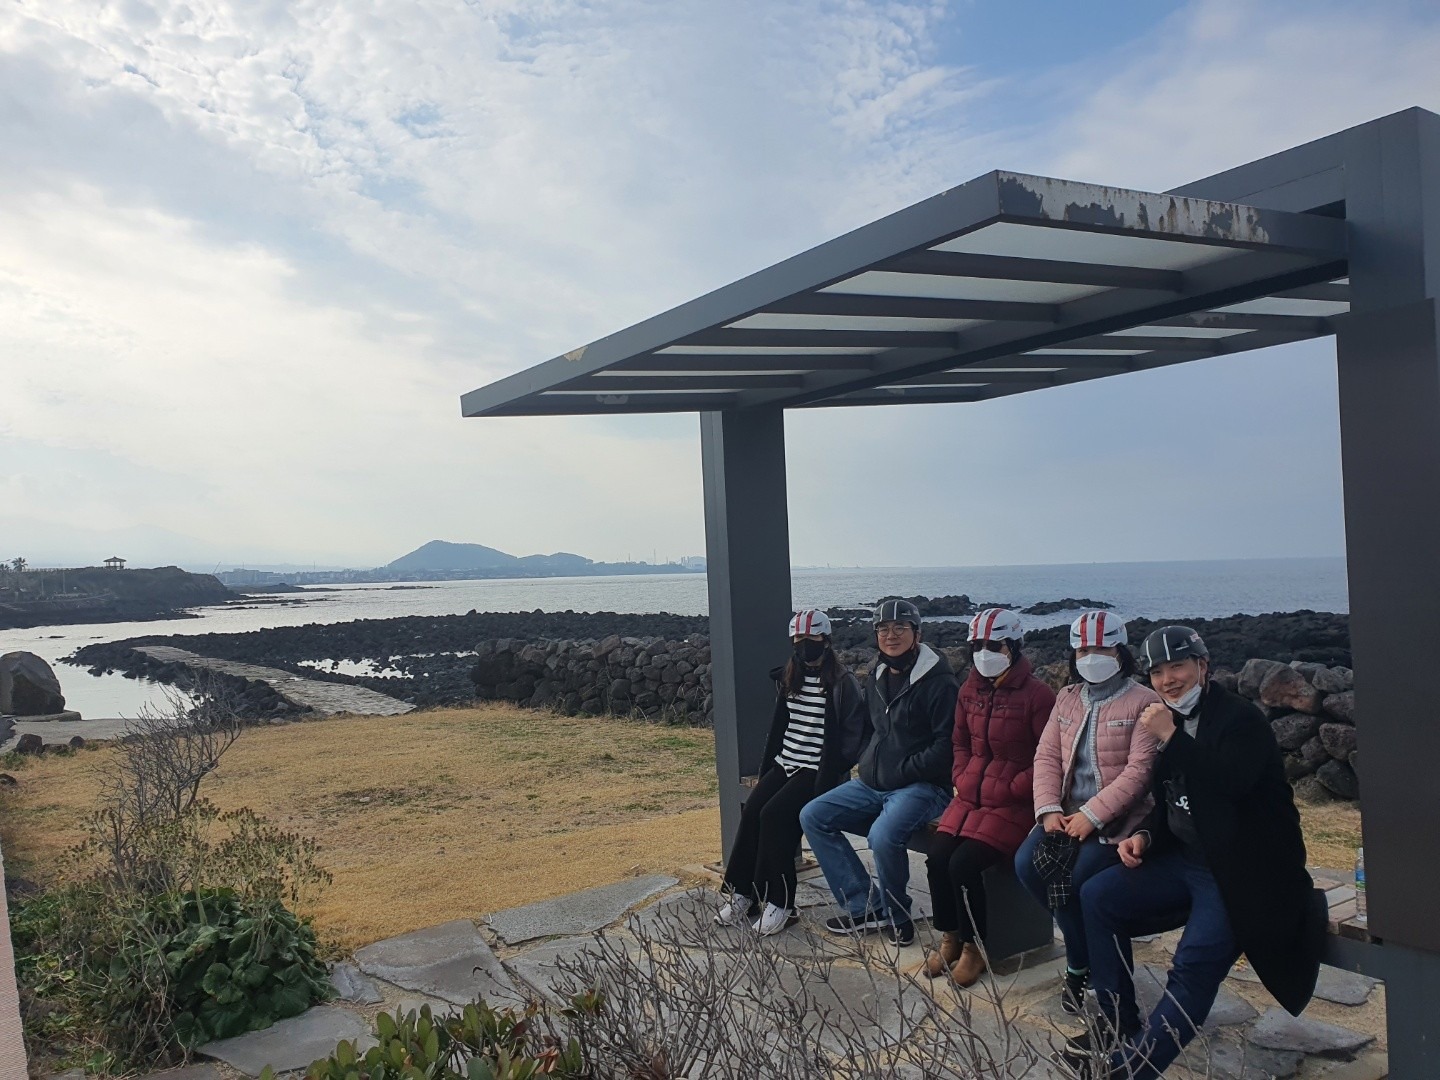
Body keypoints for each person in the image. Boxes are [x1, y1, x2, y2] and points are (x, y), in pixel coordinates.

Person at [1069, 625, 1326, 1080]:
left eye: (1178, 666)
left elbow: (1230, 784)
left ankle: (1131, 1070)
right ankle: (1115, 1022)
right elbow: (1171, 800)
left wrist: (1171, 737)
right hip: (1187, 861)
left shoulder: (1240, 720)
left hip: (1241, 870)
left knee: (1193, 964)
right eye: (1157, 672)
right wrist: (1145, 837)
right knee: (1097, 895)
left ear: (1203, 666)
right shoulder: (1168, 721)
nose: (1168, 680)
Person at [1014, 611, 1161, 1013]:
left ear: (1120, 652)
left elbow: (1140, 772)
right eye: (1082, 650)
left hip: (1118, 821)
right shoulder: (1067, 697)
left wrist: (1092, 815)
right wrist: (1048, 810)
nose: (1090, 657)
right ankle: (1084, 956)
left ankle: (1083, 966)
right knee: (1027, 865)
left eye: (1100, 648)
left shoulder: (1144, 701)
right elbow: (1046, 756)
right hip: (1064, 814)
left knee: (1074, 877)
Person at [799, 599, 958, 946]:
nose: (891, 635)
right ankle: (864, 906)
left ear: (917, 633)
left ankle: (897, 914)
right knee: (813, 815)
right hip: (874, 783)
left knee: (883, 836)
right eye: (883, 629)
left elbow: (946, 747)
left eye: (900, 627)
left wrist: (900, 771)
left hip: (924, 787)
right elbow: (872, 728)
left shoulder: (940, 683)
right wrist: (868, 759)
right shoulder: (878, 674)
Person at [923, 607, 1055, 985]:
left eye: (994, 645)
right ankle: (949, 936)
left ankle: (973, 947)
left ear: (1013, 646)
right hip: (971, 797)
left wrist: (1011, 787)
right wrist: (962, 776)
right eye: (977, 645)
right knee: (937, 857)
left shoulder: (1038, 695)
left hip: (1014, 805)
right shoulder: (970, 689)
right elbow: (959, 742)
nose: (984, 653)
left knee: (964, 864)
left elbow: (1049, 756)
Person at [715, 608, 868, 935]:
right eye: (798, 638)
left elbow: (856, 733)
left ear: (826, 640)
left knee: (774, 817)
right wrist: (772, 763)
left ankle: (781, 904)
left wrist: (835, 766)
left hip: (817, 771)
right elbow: (782, 725)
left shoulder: (842, 682)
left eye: (811, 637)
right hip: (785, 762)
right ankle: (744, 894)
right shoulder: (790, 676)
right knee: (752, 812)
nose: (804, 644)